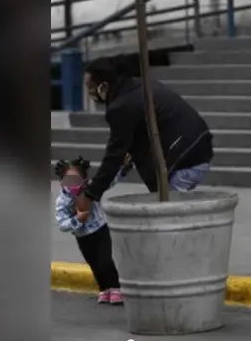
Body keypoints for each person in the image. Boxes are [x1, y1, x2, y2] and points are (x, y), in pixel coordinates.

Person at [72, 57, 214, 217]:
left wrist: (90, 195)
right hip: (197, 146)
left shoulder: (122, 106)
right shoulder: (140, 86)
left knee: (168, 216)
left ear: (103, 86)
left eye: (89, 87)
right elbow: (124, 151)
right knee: (168, 212)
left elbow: (114, 155)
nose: (89, 92)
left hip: (185, 158)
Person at [54, 156, 130, 305]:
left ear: (84, 179)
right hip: (82, 236)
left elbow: (109, 182)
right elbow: (62, 224)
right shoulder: (62, 201)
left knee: (105, 261)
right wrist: (77, 220)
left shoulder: (91, 189)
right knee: (94, 264)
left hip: (100, 229)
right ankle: (104, 288)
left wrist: (123, 168)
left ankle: (115, 287)